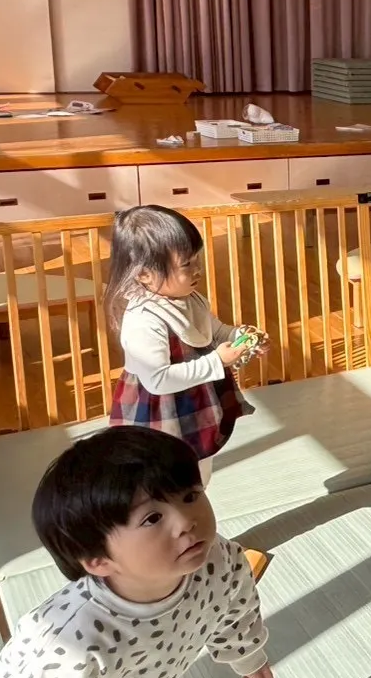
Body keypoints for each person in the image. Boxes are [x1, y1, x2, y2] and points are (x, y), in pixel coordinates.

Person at [0, 427, 272, 678]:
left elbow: (236, 606)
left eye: (190, 495)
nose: (186, 522)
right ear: (99, 560)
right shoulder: (67, 641)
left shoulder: (218, 560)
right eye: (152, 518)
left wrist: (247, 656)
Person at [104, 205, 267, 484]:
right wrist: (217, 361)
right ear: (144, 275)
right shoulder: (144, 318)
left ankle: (194, 507)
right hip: (159, 414)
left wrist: (242, 338)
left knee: (199, 472)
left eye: (196, 259)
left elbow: (214, 332)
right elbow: (157, 380)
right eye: (186, 265)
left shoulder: (189, 298)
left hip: (195, 404)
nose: (197, 269)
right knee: (165, 478)